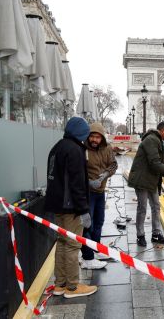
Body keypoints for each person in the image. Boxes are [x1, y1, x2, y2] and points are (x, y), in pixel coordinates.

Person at [45, 117, 98, 298]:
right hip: (71, 207)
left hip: (57, 205)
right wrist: (83, 210)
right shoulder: (75, 150)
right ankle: (73, 287)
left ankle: (60, 284)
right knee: (72, 245)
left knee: (61, 243)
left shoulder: (57, 147)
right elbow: (76, 184)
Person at [128, 122, 164, 247]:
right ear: (163, 130)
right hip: (142, 179)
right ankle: (140, 235)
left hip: (151, 179)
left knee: (156, 206)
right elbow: (154, 162)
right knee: (142, 208)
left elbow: (155, 164)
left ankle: (156, 234)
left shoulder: (156, 140)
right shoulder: (151, 140)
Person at [79, 123, 118, 270]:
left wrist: (105, 175)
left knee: (99, 222)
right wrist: (89, 182)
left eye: (98, 137)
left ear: (102, 137)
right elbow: (77, 171)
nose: (95, 139)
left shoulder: (107, 148)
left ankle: (96, 249)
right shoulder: (83, 149)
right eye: (92, 136)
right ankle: (87, 256)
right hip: (88, 192)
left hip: (100, 190)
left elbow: (113, 164)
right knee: (88, 224)